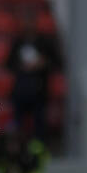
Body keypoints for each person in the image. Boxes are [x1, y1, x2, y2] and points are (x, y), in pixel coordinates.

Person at [5, 12, 61, 141]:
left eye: (30, 22)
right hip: (20, 90)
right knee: (17, 122)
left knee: (39, 124)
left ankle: (38, 150)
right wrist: (22, 66)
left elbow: (56, 62)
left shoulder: (45, 42)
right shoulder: (18, 42)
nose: (27, 25)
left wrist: (42, 63)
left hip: (39, 90)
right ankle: (17, 149)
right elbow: (8, 63)